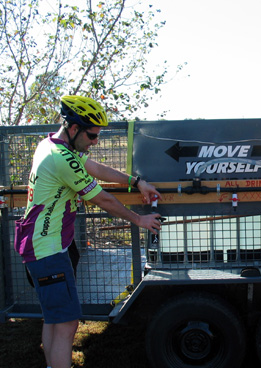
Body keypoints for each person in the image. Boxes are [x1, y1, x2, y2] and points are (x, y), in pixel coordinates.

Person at [14, 95, 163, 368]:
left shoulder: (51, 146)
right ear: (73, 129)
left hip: (43, 246)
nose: (95, 142)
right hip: (48, 251)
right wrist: (138, 220)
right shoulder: (61, 159)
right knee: (67, 323)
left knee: (54, 318)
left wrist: (135, 182)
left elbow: (93, 167)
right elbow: (102, 199)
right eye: (93, 135)